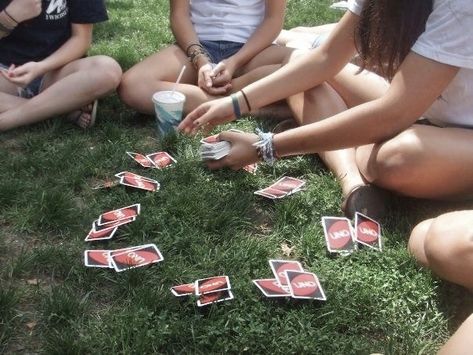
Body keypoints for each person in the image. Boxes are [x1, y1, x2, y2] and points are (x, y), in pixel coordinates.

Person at [179, 0, 473, 219]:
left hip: (457, 131)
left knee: (391, 158)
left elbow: (394, 112)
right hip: (425, 109)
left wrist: (265, 147)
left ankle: (339, 132)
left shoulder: (461, 7)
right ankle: (354, 184)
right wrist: (236, 104)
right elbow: (324, 60)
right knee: (301, 65)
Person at [119, 0, 292, 116]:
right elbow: (179, 15)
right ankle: (241, 102)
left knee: (302, 66)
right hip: (197, 46)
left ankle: (232, 100)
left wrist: (235, 61)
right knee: (133, 85)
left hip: (252, 50)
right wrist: (200, 61)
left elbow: (273, 20)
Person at [0, 0, 122, 132]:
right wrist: (9, 18)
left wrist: (41, 67)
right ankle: (60, 108)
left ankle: (7, 121)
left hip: (57, 73)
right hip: (6, 74)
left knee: (107, 70)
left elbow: (81, 39)